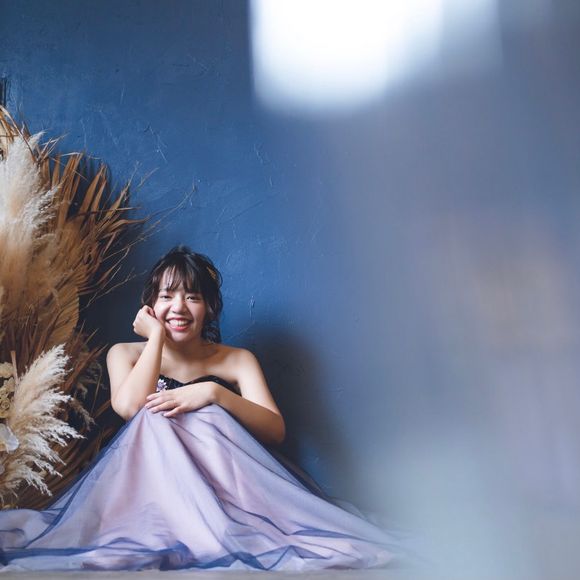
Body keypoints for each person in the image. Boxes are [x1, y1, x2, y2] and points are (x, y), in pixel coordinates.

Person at [0, 246, 411, 571]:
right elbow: (129, 408)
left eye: (192, 297)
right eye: (167, 297)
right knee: (154, 420)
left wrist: (213, 394)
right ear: (149, 306)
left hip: (228, 492)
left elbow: (275, 430)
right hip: (150, 495)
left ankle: (217, 527)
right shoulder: (125, 353)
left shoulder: (235, 360)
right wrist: (155, 339)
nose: (179, 307)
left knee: (209, 416)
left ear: (209, 307)